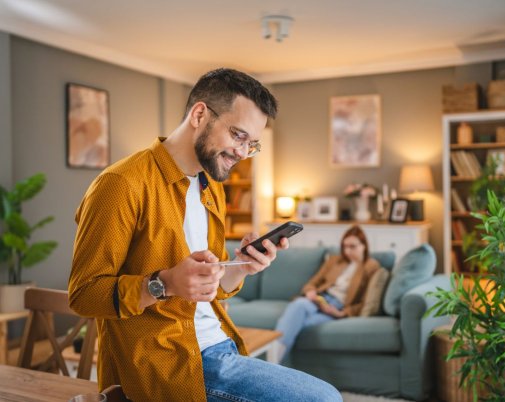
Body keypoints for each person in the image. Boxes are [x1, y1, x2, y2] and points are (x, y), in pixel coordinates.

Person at [68, 68, 342, 402]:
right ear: (200, 114)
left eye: (251, 144)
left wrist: (242, 266)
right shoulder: (121, 184)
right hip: (169, 363)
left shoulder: (210, 187)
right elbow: (83, 295)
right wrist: (164, 283)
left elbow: (208, 287)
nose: (243, 152)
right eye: (238, 135)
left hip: (220, 345)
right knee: (324, 399)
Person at [275, 225, 381, 359]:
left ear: (363, 246)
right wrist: (310, 292)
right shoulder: (334, 260)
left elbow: (364, 302)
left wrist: (341, 313)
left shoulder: (371, 266)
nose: (347, 251)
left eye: (352, 246)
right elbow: (313, 283)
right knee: (299, 305)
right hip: (319, 299)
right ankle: (274, 361)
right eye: (345, 246)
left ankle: (273, 359)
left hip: (335, 308)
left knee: (298, 323)